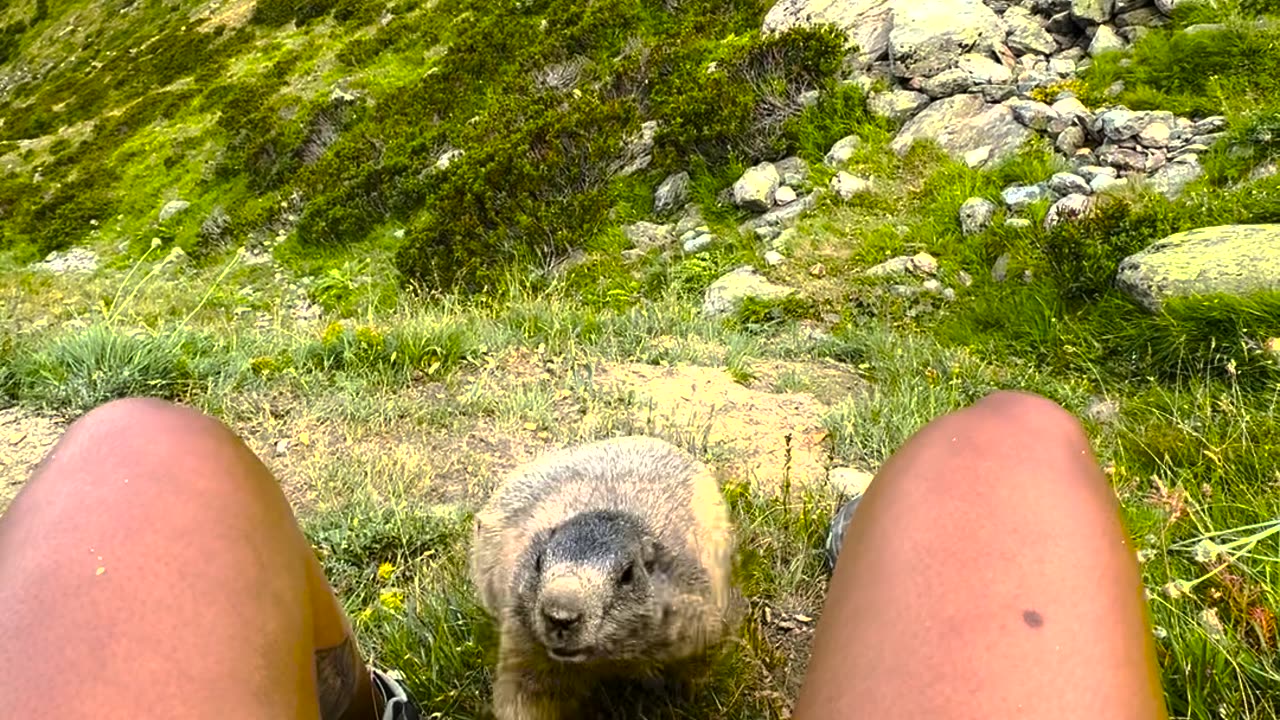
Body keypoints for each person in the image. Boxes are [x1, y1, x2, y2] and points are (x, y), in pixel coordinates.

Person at [0, 392, 1169, 719]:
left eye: (599, 591)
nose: (558, 609)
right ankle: (882, 569)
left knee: (133, 442)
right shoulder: (534, 595)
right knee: (1004, 443)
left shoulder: (681, 591)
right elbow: (535, 636)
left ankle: (355, 706)